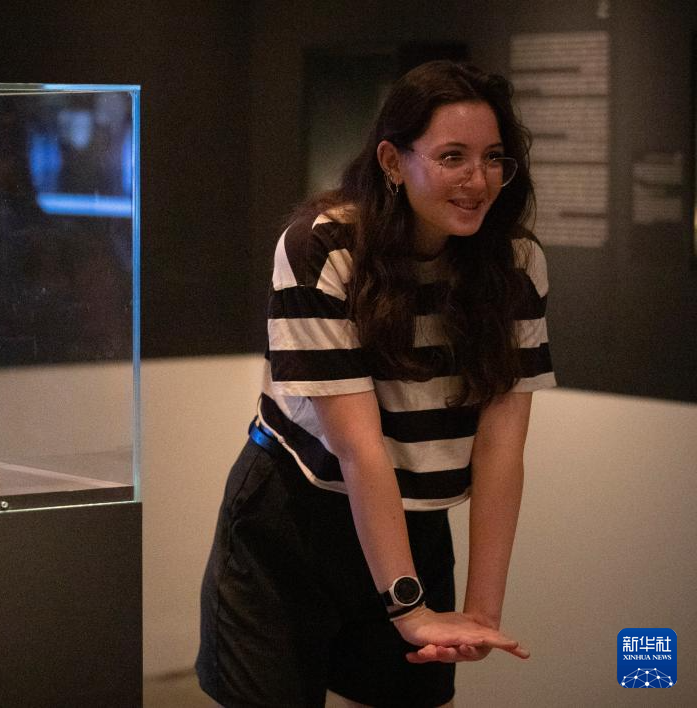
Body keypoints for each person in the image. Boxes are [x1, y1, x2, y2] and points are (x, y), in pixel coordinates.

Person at [196, 60, 555, 707]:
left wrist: (482, 610)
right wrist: (410, 609)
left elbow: (502, 448)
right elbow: (359, 449)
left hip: (415, 517)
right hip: (293, 523)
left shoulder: (517, 263)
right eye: (452, 156)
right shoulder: (323, 248)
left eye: (493, 158)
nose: (478, 180)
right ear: (392, 161)